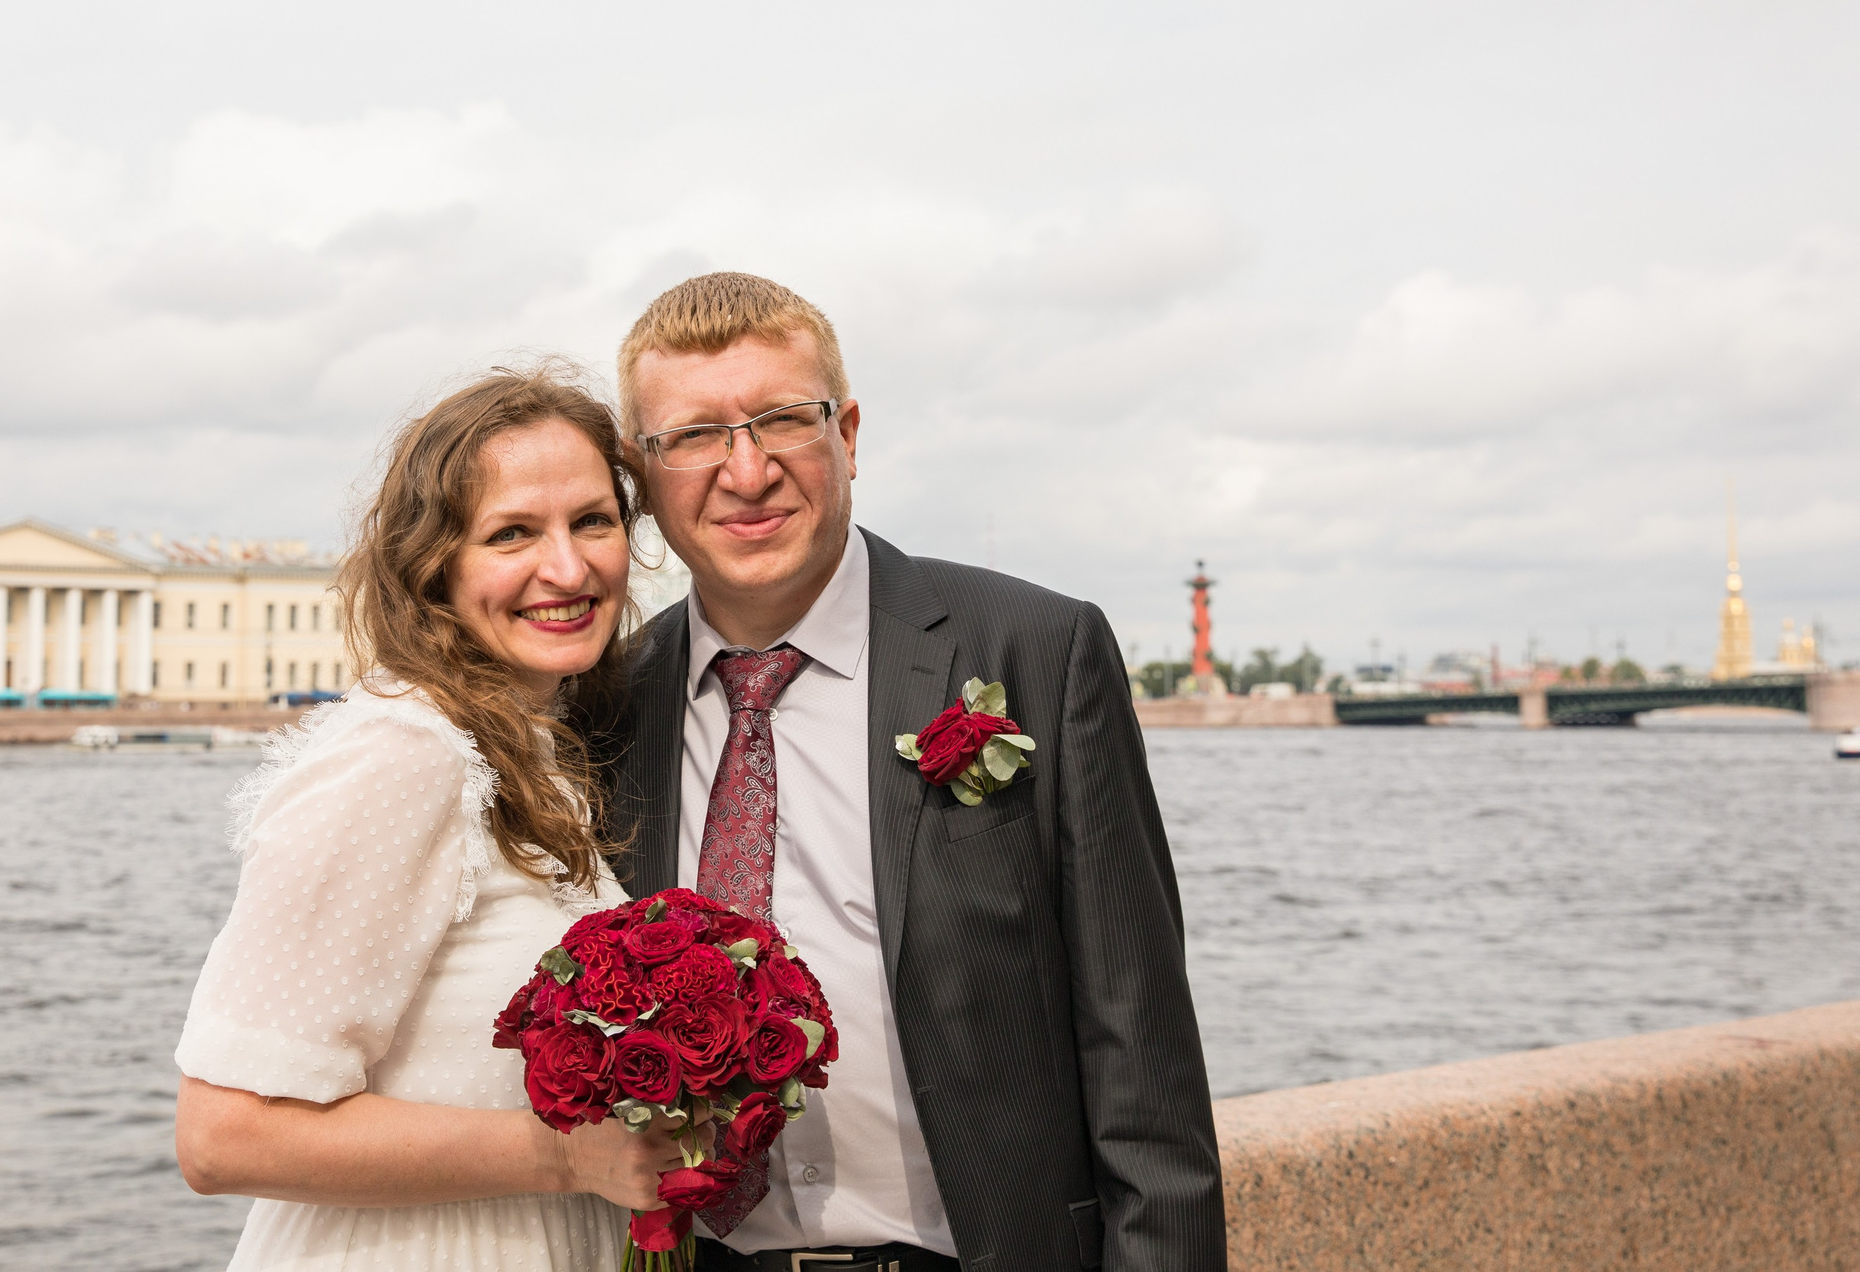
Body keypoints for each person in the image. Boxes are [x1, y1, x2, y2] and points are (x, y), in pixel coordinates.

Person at [599, 273, 1227, 1272]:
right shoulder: (605, 706)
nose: (747, 470)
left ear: (847, 434)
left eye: (782, 421)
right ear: (641, 469)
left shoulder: (1034, 650)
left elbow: (1139, 1053)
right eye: (695, 437)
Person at [174, 365, 683, 1271]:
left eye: (592, 521)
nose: (566, 568)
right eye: (512, 533)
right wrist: (568, 1155)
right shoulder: (404, 756)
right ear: (433, 563)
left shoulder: (527, 749)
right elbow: (226, 1134)